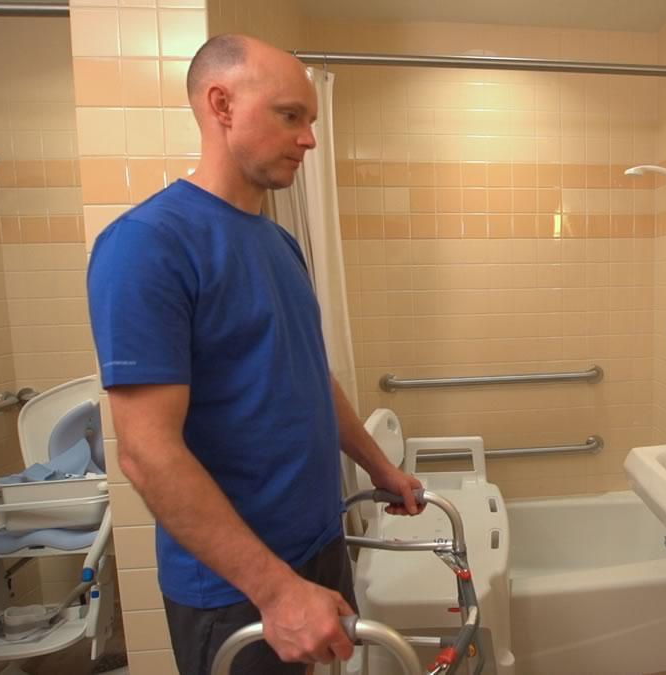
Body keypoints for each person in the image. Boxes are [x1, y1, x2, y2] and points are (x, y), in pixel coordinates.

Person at [86, 33, 422, 675]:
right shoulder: (148, 245)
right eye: (290, 116)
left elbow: (306, 374)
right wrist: (275, 590)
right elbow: (146, 452)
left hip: (317, 550)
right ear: (221, 105)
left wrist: (377, 464)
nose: (309, 140)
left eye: (310, 120)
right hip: (238, 585)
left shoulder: (278, 244)